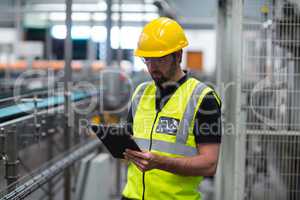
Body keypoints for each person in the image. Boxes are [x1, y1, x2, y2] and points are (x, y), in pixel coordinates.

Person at [122, 17, 222, 200]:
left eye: (159, 60)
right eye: (147, 60)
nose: (152, 68)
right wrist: (119, 147)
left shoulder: (202, 98)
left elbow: (209, 164)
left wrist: (161, 163)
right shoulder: (140, 93)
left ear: (178, 56)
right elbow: (128, 142)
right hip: (131, 196)